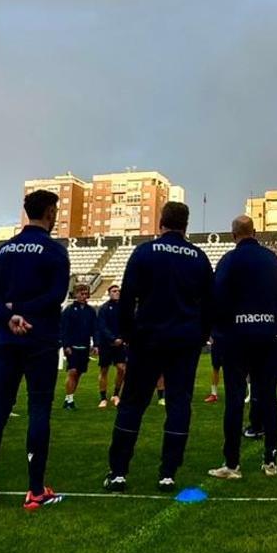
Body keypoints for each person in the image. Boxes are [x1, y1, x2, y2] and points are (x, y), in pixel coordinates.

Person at [104, 202, 213, 492]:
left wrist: (128, 333)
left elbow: (127, 298)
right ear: (186, 226)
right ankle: (168, 472)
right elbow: (209, 305)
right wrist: (200, 336)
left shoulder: (144, 252)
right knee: (179, 404)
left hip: (148, 338)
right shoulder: (199, 257)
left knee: (132, 404)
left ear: (160, 222)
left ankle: (118, 471)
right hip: (184, 341)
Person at [0, 190, 70, 510]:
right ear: (49, 212)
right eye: (55, 210)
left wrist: (9, 314)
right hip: (40, 338)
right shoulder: (54, 251)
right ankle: (35, 490)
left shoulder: (3, 251)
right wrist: (25, 312)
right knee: (39, 409)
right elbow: (56, 295)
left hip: (5, 337)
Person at [208, 216, 277, 479]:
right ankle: (270, 461)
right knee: (268, 397)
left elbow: (217, 298)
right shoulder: (272, 259)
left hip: (236, 337)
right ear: (255, 231)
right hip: (267, 333)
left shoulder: (229, 260)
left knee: (234, 398)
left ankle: (232, 464)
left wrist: (220, 330)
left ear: (233, 235)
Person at [60, 283, 98, 410]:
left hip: (85, 346)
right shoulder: (69, 310)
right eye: (81, 293)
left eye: (85, 293)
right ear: (75, 294)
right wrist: (66, 345)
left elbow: (95, 329)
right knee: (72, 371)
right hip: (72, 346)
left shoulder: (90, 311)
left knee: (79, 373)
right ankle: (69, 399)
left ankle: (69, 398)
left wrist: (96, 344)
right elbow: (64, 329)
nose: (83, 296)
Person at [96, 285, 126, 408]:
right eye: (114, 291)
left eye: (118, 291)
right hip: (106, 344)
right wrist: (113, 339)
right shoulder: (104, 308)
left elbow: (127, 323)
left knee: (121, 369)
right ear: (109, 293)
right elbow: (102, 326)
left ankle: (116, 394)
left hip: (120, 344)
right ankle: (103, 398)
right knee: (104, 370)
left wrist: (122, 338)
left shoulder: (124, 308)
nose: (117, 293)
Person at [204, 334, 222, 403]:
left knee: (231, 370)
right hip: (216, 346)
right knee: (215, 369)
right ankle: (214, 394)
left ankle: (233, 393)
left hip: (228, 344)